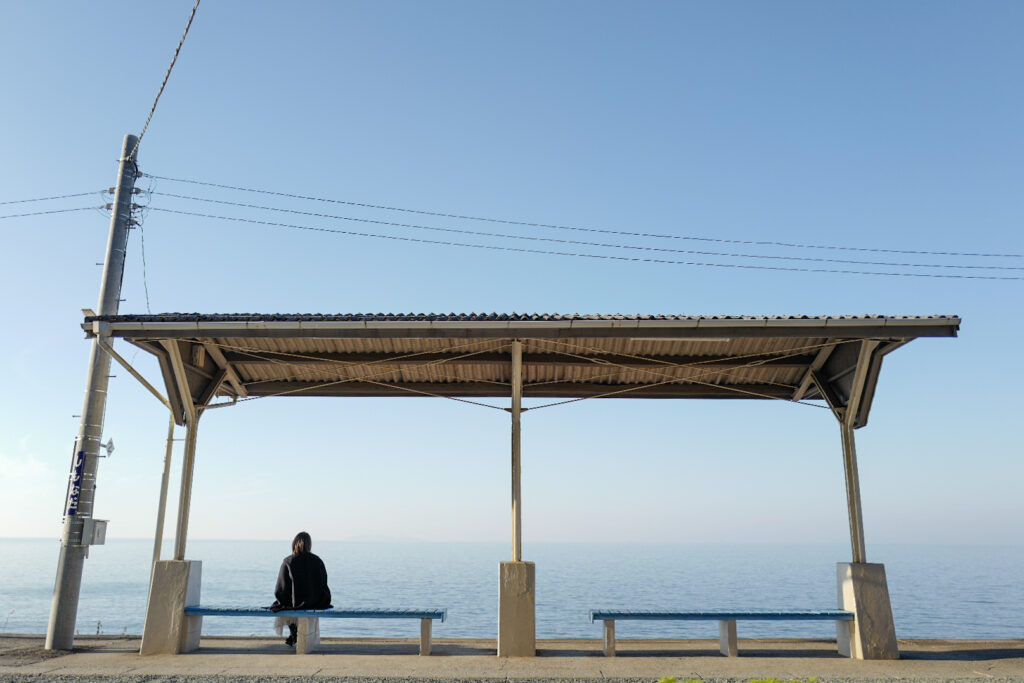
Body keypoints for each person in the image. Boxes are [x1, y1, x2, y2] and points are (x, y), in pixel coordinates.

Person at [269, 531, 332, 647]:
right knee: (304, 606)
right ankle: (299, 633)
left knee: (282, 604)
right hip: (315, 602)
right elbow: (323, 583)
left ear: (294, 544)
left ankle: (294, 629)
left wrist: (283, 600)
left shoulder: (288, 561)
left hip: (295, 603)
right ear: (309, 544)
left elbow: (280, 589)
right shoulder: (317, 561)